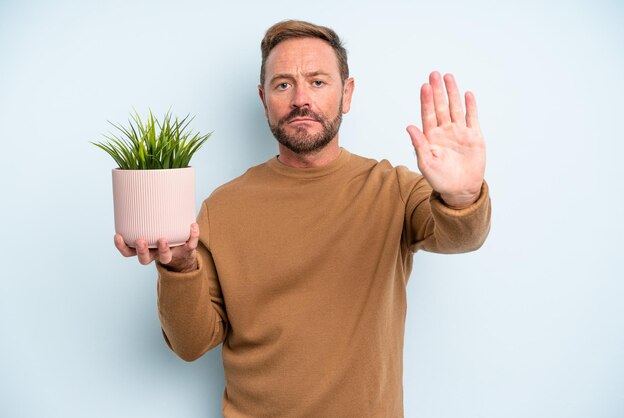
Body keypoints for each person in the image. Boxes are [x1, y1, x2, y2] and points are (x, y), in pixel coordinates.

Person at [115, 20, 491, 418]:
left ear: (346, 94)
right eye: (282, 84)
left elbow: (460, 237)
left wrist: (462, 194)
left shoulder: (392, 189)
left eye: (317, 82)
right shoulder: (221, 208)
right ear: (263, 99)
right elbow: (190, 344)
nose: (299, 99)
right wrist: (179, 267)